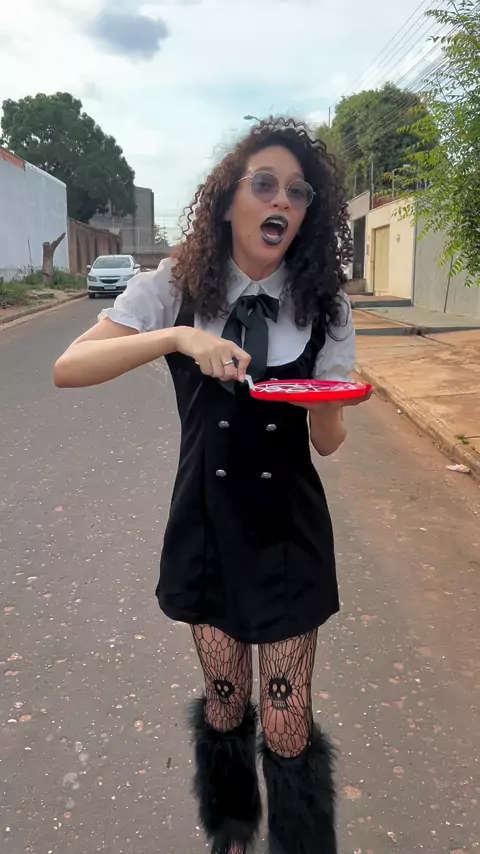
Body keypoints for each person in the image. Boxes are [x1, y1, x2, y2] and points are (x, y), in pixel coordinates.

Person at [54, 117, 372, 854]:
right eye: (264, 184)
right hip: (207, 529)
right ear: (229, 201)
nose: (282, 199)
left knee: (287, 717)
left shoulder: (325, 304)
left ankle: (301, 843)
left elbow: (328, 443)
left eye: (298, 191)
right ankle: (229, 831)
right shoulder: (177, 286)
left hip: (289, 533)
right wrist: (176, 337)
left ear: (308, 213)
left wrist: (328, 404)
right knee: (227, 702)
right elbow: (69, 367)